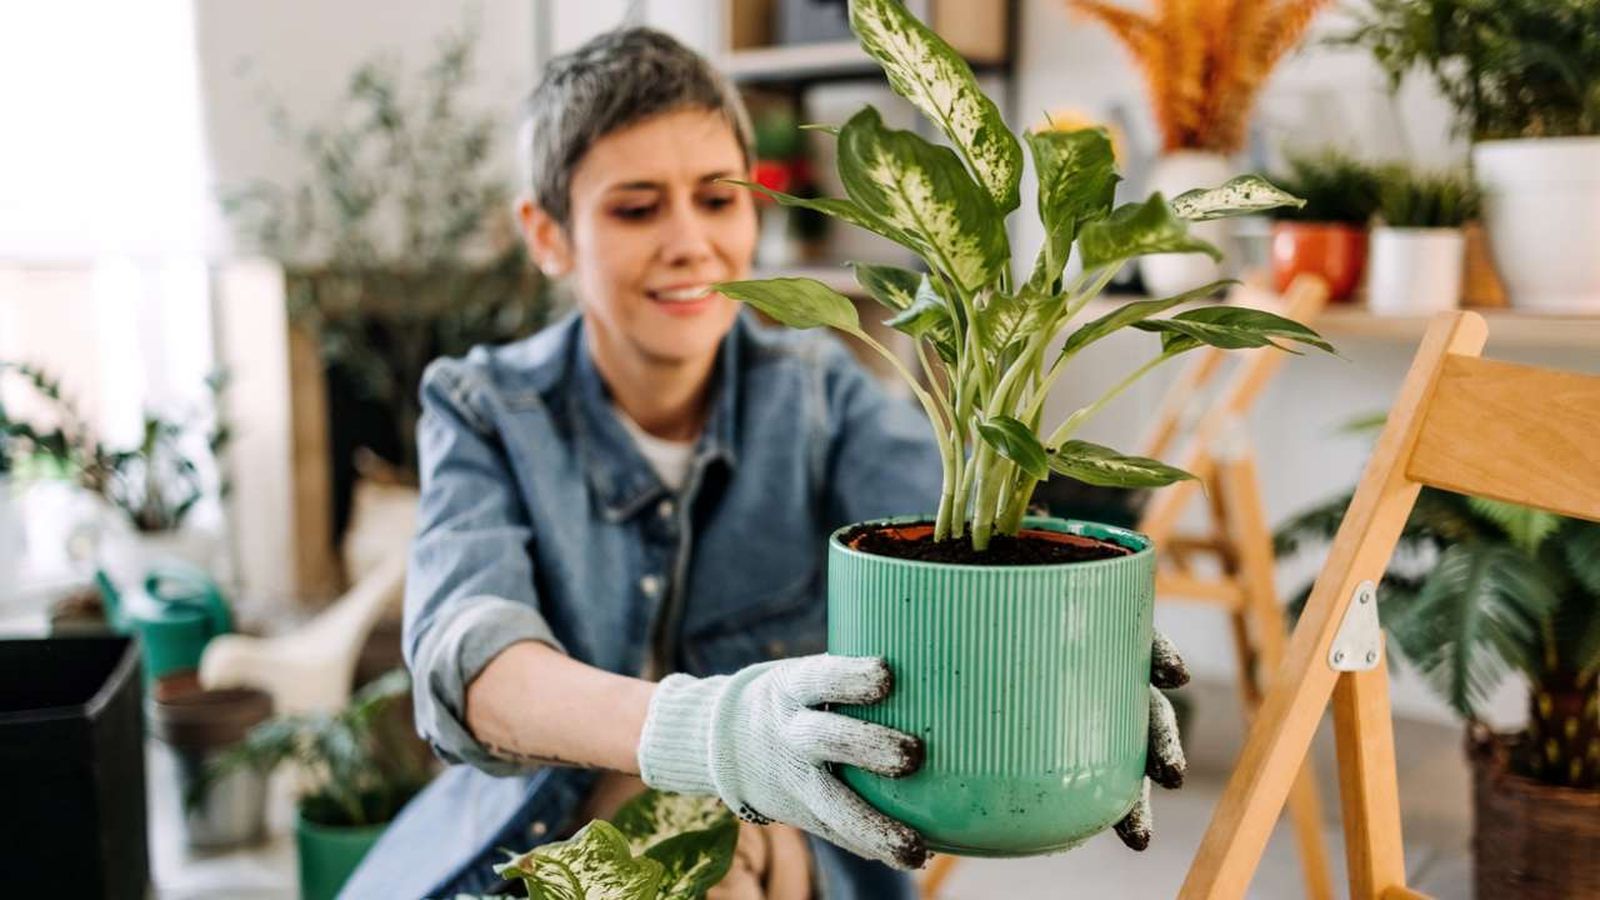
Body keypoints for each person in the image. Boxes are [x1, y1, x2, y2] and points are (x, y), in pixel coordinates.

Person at [342, 27, 1185, 899]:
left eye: (717, 199)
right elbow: (468, 666)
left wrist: (1071, 644)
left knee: (720, 867)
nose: (689, 242)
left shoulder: (822, 393)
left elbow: (970, 555)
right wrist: (717, 734)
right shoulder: (484, 409)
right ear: (548, 234)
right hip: (541, 830)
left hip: (782, 846)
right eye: (636, 208)